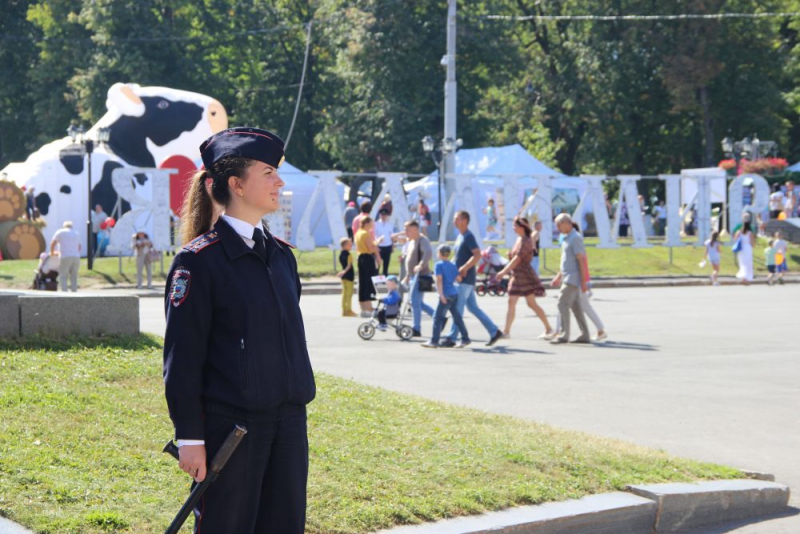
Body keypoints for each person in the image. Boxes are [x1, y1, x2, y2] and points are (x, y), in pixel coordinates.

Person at [163, 127, 315, 534]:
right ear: (237, 184)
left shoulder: (282, 258)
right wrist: (190, 436)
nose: (279, 182)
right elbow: (183, 357)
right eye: (268, 172)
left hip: (288, 425)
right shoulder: (199, 262)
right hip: (231, 432)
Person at [441, 211, 504, 348]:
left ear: (464, 220)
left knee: (457, 309)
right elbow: (458, 257)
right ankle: (494, 331)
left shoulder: (469, 236)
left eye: (456, 219)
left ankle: (452, 338)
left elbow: (477, 255)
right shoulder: (460, 237)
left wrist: (464, 267)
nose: (454, 221)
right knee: (473, 308)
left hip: (465, 279)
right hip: (462, 280)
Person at [495, 217, 554, 339]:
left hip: (525, 275)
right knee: (511, 301)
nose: (513, 228)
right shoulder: (519, 239)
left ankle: (549, 328)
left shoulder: (526, 240)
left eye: (515, 226)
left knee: (531, 303)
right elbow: (515, 256)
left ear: (521, 227)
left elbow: (518, 259)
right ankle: (506, 332)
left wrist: (503, 271)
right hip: (516, 275)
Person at [550, 213, 590, 344]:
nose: (557, 227)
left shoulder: (575, 238)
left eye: (559, 224)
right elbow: (566, 261)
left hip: (572, 278)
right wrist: (558, 277)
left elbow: (581, 260)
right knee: (576, 307)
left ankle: (564, 334)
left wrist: (584, 281)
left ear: (567, 223)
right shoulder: (566, 238)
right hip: (567, 276)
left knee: (562, 303)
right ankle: (585, 334)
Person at [422, 245, 470, 348]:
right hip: (453, 293)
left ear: (440, 253)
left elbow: (439, 280)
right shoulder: (452, 265)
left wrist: (441, 294)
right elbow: (459, 279)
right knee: (457, 317)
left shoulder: (438, 265)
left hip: (446, 294)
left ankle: (434, 341)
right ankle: (465, 338)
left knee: (437, 317)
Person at [403, 220, 434, 337]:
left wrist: (421, 265)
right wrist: (407, 275)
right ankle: (438, 316)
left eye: (408, 229)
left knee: (415, 302)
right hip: (413, 276)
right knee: (417, 302)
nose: (406, 232)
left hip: (420, 276)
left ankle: (416, 328)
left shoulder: (422, 240)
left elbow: (428, 253)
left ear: (415, 229)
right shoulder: (412, 241)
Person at [355, 216, 381, 317]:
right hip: (367, 258)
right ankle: (368, 306)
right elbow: (371, 248)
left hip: (361, 257)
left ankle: (363, 306)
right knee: (369, 282)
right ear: (366, 223)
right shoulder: (365, 234)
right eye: (370, 223)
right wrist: (378, 242)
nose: (372, 225)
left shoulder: (358, 233)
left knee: (363, 282)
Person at [50, 220, 81, 292]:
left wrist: (52, 253)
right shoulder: (76, 233)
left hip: (65, 255)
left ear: (64, 226)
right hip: (76, 256)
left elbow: (53, 243)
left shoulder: (60, 232)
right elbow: (79, 246)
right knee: (74, 276)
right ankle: (74, 292)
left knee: (63, 275)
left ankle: (65, 293)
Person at [337, 237, 356, 316]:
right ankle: (349, 310)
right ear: (344, 245)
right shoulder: (349, 255)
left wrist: (342, 272)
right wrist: (344, 271)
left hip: (344, 277)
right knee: (349, 294)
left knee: (344, 294)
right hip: (349, 276)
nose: (351, 246)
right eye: (349, 244)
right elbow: (349, 265)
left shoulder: (341, 254)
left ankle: (344, 310)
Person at [374, 209, 396, 276]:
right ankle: (376, 278)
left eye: (385, 215)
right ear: (380, 215)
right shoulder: (376, 224)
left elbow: (391, 236)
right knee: (377, 263)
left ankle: (385, 276)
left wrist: (392, 246)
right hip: (379, 246)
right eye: (382, 215)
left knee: (386, 263)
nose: (383, 216)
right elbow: (374, 236)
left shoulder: (389, 225)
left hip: (387, 245)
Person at [734, 220, 756, 285]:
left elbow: (735, 238)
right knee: (748, 262)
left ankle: (744, 276)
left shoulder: (739, 232)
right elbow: (752, 242)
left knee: (742, 262)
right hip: (747, 247)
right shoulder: (750, 233)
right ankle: (746, 278)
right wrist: (753, 245)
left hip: (741, 247)